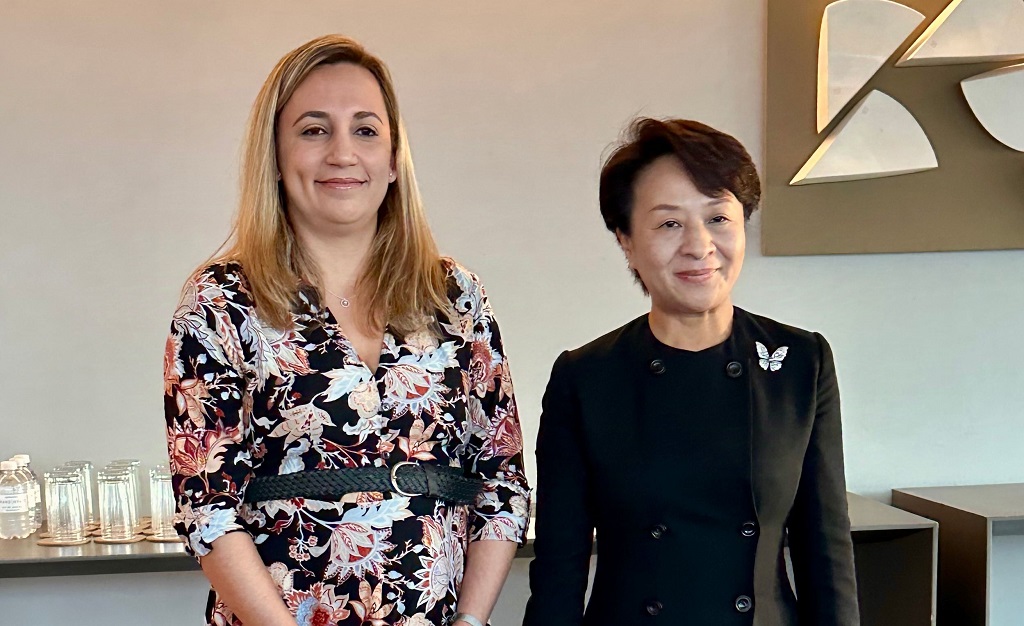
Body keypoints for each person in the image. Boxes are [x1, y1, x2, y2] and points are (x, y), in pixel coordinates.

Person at [163, 34, 530, 626]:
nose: (342, 153)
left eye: (365, 130)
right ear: (274, 158)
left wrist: (470, 621)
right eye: (314, 130)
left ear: (394, 159)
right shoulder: (222, 300)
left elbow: (501, 481)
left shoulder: (454, 295)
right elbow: (207, 508)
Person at [523, 118, 859, 625]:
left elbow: (827, 553)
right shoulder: (586, 378)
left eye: (718, 217)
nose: (699, 246)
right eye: (669, 224)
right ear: (626, 241)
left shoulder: (801, 362)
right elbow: (558, 571)